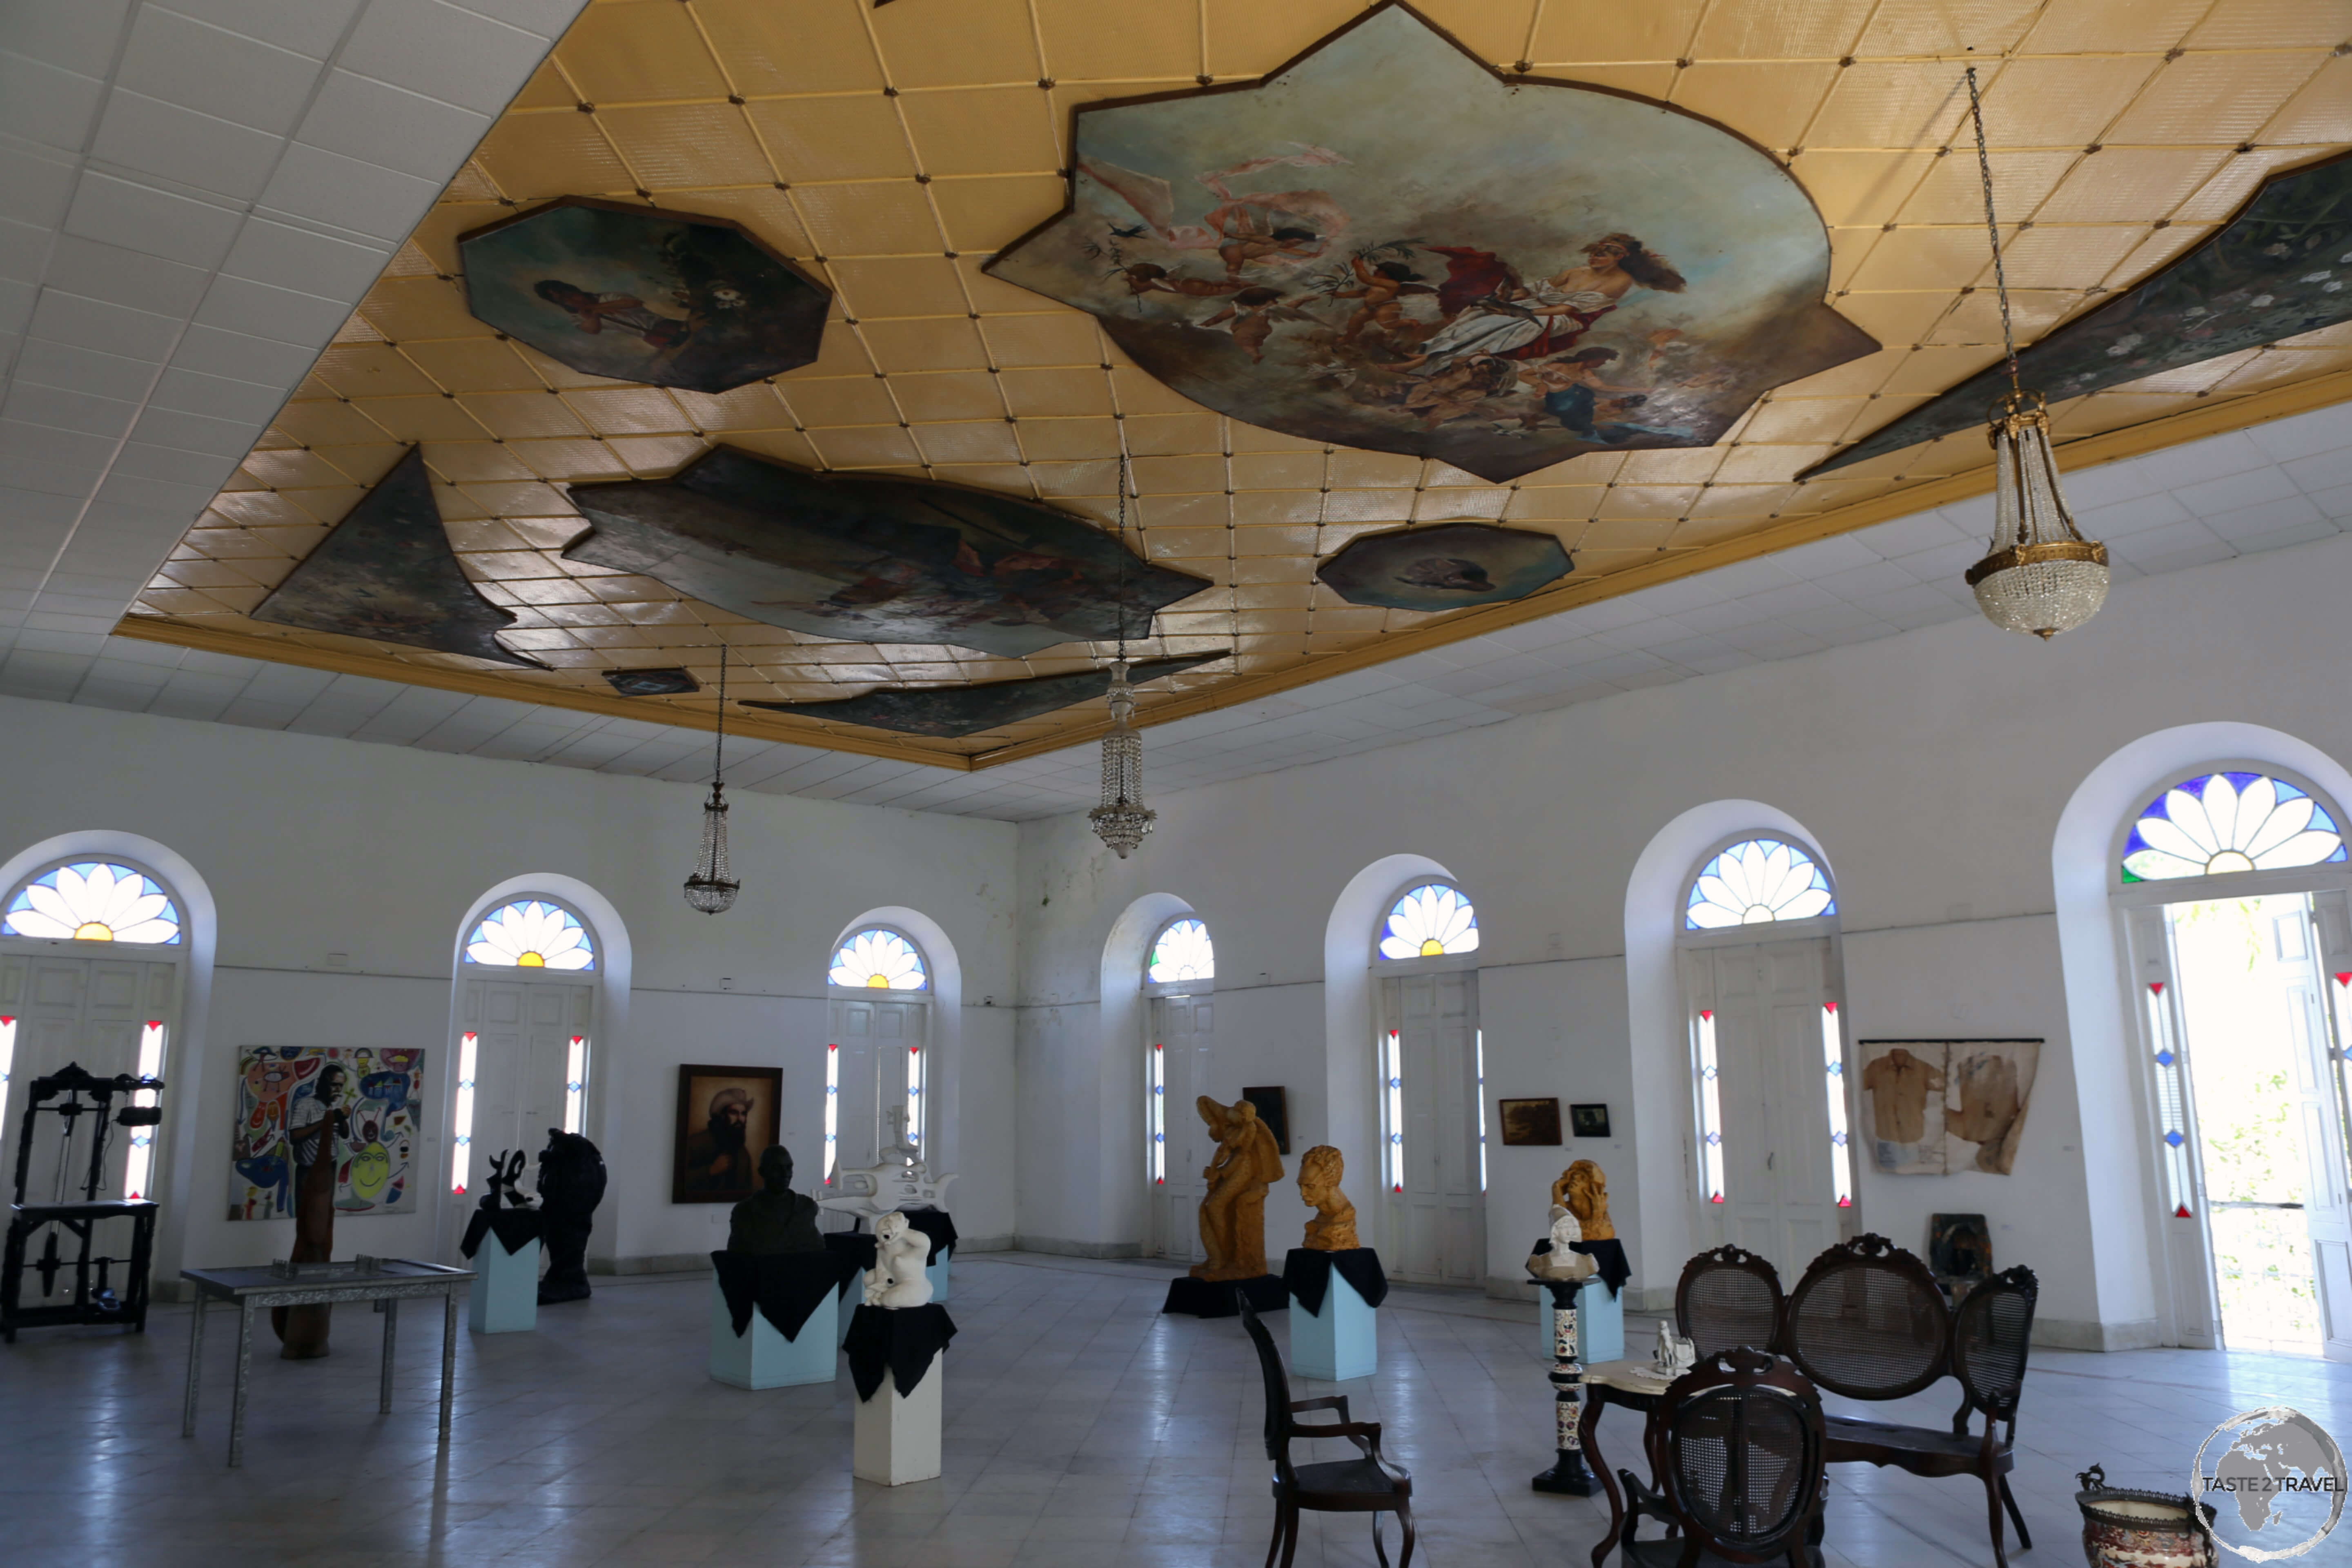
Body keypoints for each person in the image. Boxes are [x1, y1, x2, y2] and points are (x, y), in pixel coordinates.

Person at [272, 1062, 349, 1358]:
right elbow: (295, 1137)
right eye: (333, 1086)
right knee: (309, 1233)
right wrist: (327, 1121)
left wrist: (340, 1120)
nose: (337, 1091)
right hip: (308, 1171)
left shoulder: (337, 1105)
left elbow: (341, 1134)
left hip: (329, 1169)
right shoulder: (306, 1104)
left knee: (324, 1234)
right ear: (322, 1084)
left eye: (341, 1086)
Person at [532, 278, 690, 351]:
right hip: (652, 338)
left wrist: (598, 306)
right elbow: (592, 330)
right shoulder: (578, 318)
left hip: (666, 325)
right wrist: (594, 313)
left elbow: (633, 303)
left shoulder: (608, 297)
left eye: (571, 295)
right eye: (564, 300)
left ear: (575, 290)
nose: (572, 301)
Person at [682, 1085, 756, 1194]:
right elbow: (679, 1180)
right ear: (722, 1116)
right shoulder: (695, 1143)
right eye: (734, 1113)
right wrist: (710, 1171)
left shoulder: (743, 1154)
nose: (740, 1119)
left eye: (743, 1114)